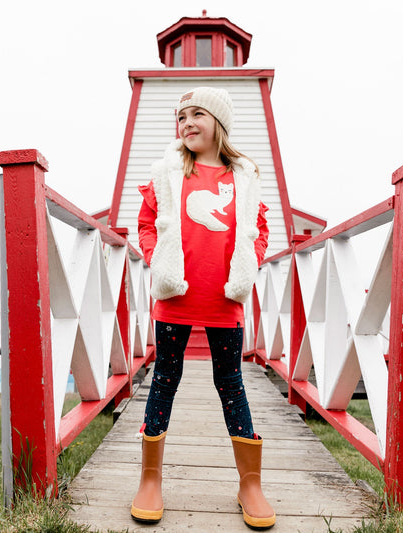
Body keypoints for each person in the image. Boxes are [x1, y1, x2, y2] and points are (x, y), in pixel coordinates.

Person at [130, 86, 275, 530]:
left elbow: (259, 228)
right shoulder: (168, 173)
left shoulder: (243, 177)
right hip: (175, 300)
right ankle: (150, 479)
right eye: (181, 116)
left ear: (219, 123)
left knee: (231, 383)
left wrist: (249, 264)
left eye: (197, 114)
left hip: (223, 301)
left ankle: (250, 484)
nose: (187, 122)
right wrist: (157, 260)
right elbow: (146, 224)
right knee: (165, 381)